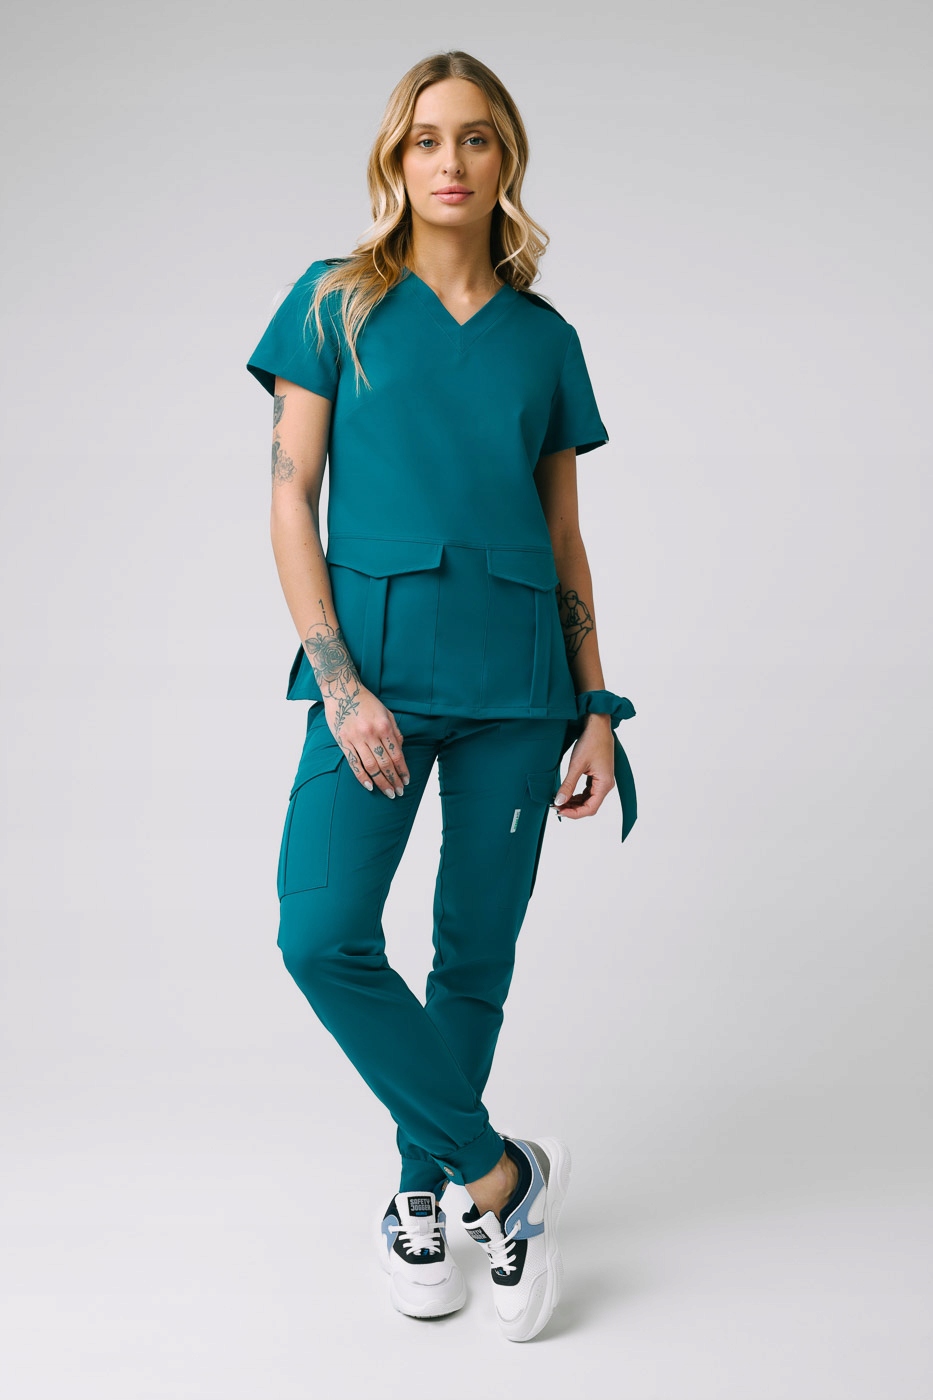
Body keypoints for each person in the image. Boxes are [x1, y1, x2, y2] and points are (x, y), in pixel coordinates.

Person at [245, 49, 637, 1342]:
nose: (449, 161)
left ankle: (422, 1193)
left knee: (473, 953)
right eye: (425, 139)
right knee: (321, 935)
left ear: (504, 157)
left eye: (474, 138)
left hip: (518, 688)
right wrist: (339, 683)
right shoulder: (333, 303)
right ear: (394, 160)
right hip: (376, 680)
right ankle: (500, 1178)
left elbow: (564, 536)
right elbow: (290, 500)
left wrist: (595, 706)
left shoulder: (545, 340)